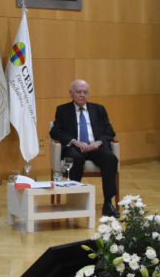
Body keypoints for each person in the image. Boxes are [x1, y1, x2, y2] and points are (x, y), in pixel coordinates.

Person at [50, 79, 120, 217]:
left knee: (110, 159)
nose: (82, 95)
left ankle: (107, 203)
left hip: (95, 147)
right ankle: (76, 202)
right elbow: (55, 132)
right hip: (75, 147)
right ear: (71, 93)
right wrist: (74, 141)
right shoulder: (62, 110)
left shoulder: (99, 109)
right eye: (78, 92)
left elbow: (110, 131)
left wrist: (99, 142)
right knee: (74, 159)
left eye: (85, 92)